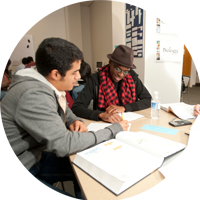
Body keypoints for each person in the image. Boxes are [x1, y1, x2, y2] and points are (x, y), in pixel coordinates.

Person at [0, 38, 129, 199]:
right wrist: (113, 130)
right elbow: (64, 144)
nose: (79, 76)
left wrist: (74, 120)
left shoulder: (43, 81)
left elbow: (65, 108)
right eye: (74, 72)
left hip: (34, 157)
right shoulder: (33, 94)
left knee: (84, 171)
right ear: (55, 74)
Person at [71, 45, 152, 123]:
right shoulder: (95, 79)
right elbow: (77, 107)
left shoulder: (132, 77)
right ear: (110, 62)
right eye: (117, 69)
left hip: (129, 122)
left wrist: (124, 108)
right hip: (105, 125)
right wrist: (101, 115)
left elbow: (148, 99)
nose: (121, 74)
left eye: (125, 71)